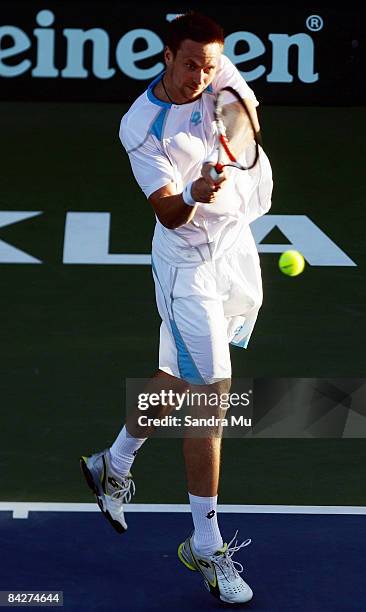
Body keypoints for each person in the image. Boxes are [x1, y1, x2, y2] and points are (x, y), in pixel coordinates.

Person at [80, 11, 273, 605]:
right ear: (166, 56)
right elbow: (166, 211)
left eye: (209, 66)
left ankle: (111, 464)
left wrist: (235, 134)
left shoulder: (218, 73)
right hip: (186, 265)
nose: (201, 75)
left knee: (175, 380)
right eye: (190, 64)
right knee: (209, 396)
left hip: (233, 246)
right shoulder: (141, 125)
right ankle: (206, 546)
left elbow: (246, 115)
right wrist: (194, 190)